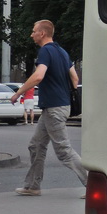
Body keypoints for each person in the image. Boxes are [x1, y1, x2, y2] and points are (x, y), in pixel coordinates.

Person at [8, 20, 88, 195]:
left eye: (34, 31)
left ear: (42, 34)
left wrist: (18, 92)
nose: (32, 34)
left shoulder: (45, 51)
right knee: (36, 145)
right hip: (58, 106)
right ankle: (33, 186)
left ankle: (93, 184)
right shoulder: (62, 52)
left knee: (63, 151)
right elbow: (75, 79)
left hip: (54, 108)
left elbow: (38, 76)